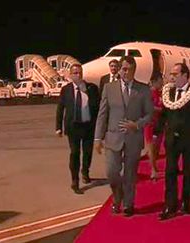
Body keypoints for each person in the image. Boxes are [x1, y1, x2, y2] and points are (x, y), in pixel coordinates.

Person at [94, 56, 154, 216]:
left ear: (134, 70)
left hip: (133, 138)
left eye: (130, 69)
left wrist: (137, 124)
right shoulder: (109, 88)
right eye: (124, 69)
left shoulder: (143, 89)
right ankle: (117, 196)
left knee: (130, 174)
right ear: (119, 70)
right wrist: (97, 138)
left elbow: (149, 114)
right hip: (113, 138)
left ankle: (128, 204)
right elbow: (102, 114)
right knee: (112, 173)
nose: (126, 72)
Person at [154, 63, 190, 220]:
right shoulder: (168, 91)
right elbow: (164, 114)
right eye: (171, 74)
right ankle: (169, 205)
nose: (171, 77)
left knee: (189, 172)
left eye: (175, 74)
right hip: (172, 140)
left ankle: (187, 202)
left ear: (185, 75)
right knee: (170, 172)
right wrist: (157, 133)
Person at [56, 64, 100, 194]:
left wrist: (99, 127)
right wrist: (58, 127)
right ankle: (74, 181)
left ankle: (85, 172)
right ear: (70, 75)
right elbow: (60, 108)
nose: (78, 75)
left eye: (80, 73)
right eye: (75, 73)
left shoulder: (91, 88)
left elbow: (97, 108)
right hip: (73, 127)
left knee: (87, 152)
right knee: (74, 153)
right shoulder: (66, 90)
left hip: (88, 126)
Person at [144, 72, 164, 181]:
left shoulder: (161, 93)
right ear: (155, 81)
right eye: (161, 81)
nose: (162, 83)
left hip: (159, 124)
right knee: (151, 147)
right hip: (150, 124)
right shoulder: (148, 94)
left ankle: (154, 165)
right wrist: (160, 109)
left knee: (157, 148)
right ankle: (153, 169)